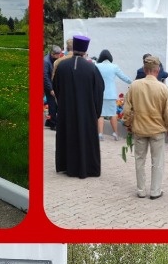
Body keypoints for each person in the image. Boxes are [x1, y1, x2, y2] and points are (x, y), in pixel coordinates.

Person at [52, 34, 105, 179]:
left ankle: (67, 166)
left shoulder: (62, 66)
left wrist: (63, 101)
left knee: (68, 135)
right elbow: (99, 90)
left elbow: (56, 87)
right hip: (86, 111)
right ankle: (87, 168)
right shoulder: (91, 68)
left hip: (66, 110)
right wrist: (96, 110)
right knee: (84, 136)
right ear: (85, 51)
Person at [122, 55, 168, 199]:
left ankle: (140, 190)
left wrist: (128, 123)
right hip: (157, 130)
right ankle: (155, 191)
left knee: (139, 160)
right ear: (157, 71)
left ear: (145, 69)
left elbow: (127, 109)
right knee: (157, 161)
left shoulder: (134, 85)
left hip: (139, 129)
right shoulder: (163, 88)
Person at [95, 49, 132, 140]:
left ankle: (100, 134)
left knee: (100, 114)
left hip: (100, 93)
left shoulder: (97, 66)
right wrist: (133, 82)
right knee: (113, 114)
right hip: (111, 94)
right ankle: (115, 133)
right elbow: (123, 77)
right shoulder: (114, 67)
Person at [43, 44, 64, 128]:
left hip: (52, 85)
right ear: (52, 53)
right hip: (49, 86)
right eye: (57, 55)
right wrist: (50, 89)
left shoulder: (53, 59)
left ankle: (48, 121)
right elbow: (45, 77)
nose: (59, 56)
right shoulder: (46, 61)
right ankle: (53, 123)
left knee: (54, 104)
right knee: (52, 104)